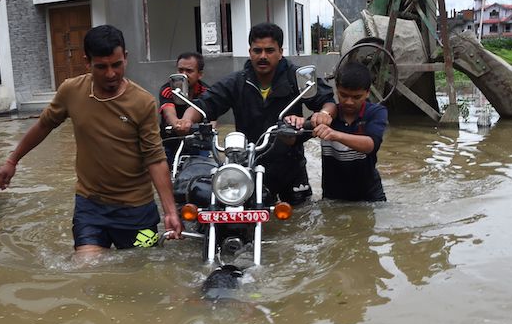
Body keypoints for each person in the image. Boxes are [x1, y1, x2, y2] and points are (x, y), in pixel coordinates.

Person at [0, 25, 183, 257]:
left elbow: (155, 158)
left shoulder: (142, 102)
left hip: (136, 210)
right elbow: (44, 125)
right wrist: (13, 160)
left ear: (125, 58)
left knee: (142, 267)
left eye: (116, 65)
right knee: (87, 268)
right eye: (101, 67)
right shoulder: (71, 91)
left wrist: (170, 211)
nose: (110, 74)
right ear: (87, 62)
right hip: (90, 206)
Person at [175, 22, 337, 205]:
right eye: (257, 50)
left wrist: (323, 113)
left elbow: (327, 101)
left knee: (300, 220)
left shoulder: (297, 77)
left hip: (290, 165)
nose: (263, 56)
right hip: (249, 163)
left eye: (269, 50)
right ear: (250, 51)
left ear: (280, 52)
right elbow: (205, 104)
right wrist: (186, 120)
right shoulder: (237, 82)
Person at [313, 61, 387, 201]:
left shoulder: (376, 112)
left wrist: (335, 135)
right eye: (343, 95)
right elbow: (295, 137)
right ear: (336, 90)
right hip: (332, 198)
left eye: (356, 97)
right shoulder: (326, 116)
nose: (349, 102)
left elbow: (371, 145)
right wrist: (295, 121)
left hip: (369, 198)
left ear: (367, 93)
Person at [158, 52, 212, 167]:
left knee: (203, 173)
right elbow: (169, 113)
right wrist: (177, 124)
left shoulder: (206, 91)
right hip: (171, 140)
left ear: (200, 74)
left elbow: (212, 118)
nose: (184, 75)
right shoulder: (168, 89)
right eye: (180, 70)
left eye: (189, 71)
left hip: (198, 141)